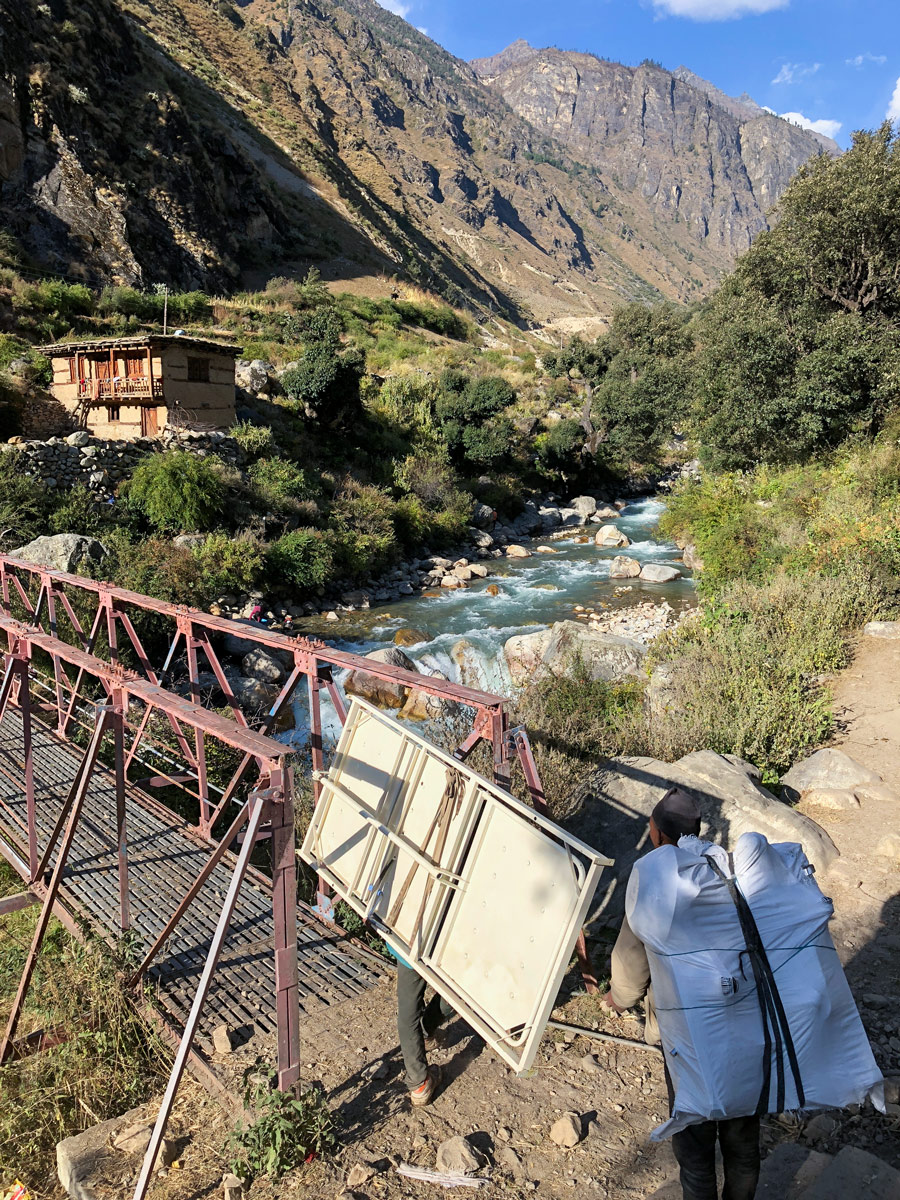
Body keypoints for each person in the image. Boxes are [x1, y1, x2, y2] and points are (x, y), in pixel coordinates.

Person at [602, 788, 761, 1200]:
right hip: (746, 1024)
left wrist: (619, 999)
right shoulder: (728, 871)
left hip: (687, 1034)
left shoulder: (655, 879)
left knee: (695, 1148)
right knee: (742, 1139)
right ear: (697, 831)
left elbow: (631, 958)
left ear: (656, 833)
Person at [394, 955, 453, 1106]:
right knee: (455, 989)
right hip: (455, 944)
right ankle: (426, 1033)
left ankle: (419, 1082)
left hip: (410, 940)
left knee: (408, 1007)